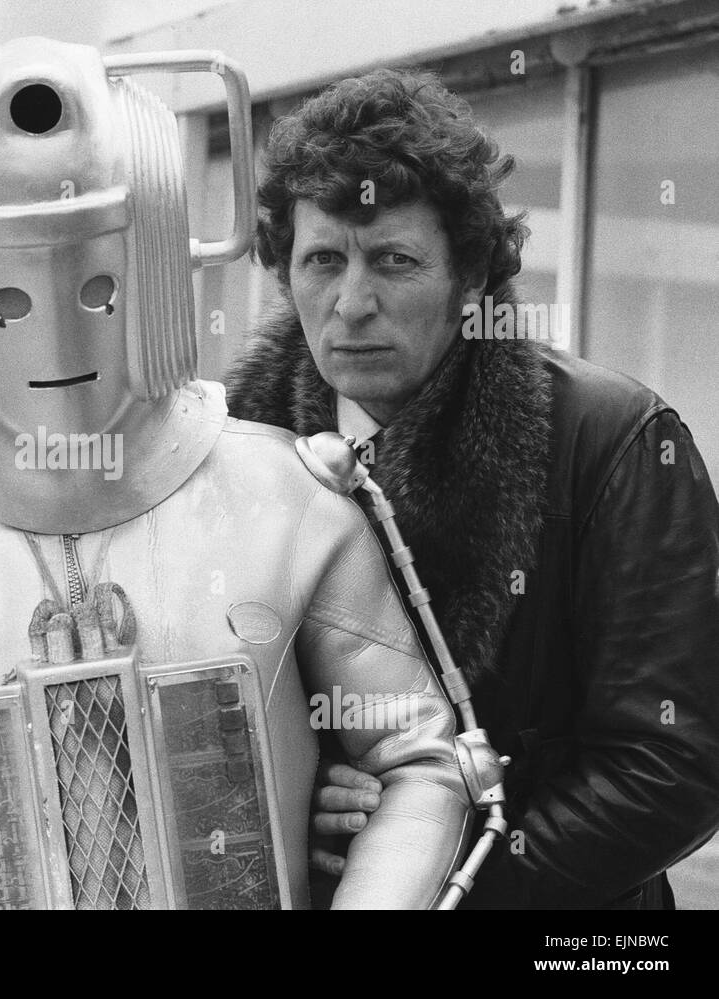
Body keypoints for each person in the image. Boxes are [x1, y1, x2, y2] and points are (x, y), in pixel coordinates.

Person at [0, 37, 471, 910]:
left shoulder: (293, 497)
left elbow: (419, 764)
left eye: (98, 287)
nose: (56, 336)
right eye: (6, 300)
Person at [225, 67, 719, 908]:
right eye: (321, 260)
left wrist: (437, 871)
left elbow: (674, 763)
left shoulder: (610, 439)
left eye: (394, 261)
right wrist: (296, 811)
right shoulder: (236, 448)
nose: (351, 303)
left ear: (471, 278)